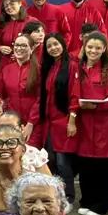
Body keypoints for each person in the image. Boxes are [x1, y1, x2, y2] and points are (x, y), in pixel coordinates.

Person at [73, 32, 108, 215]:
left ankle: (101, 205)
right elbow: (74, 94)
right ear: (84, 48)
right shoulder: (79, 68)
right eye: (90, 47)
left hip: (104, 124)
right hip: (85, 123)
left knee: (103, 166)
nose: (93, 51)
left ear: (104, 50)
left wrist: (97, 106)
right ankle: (86, 200)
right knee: (86, 165)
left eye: (98, 48)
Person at [39, 33, 76, 200]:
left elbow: (75, 94)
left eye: (56, 44)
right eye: (49, 46)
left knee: (63, 162)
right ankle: (53, 196)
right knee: (50, 160)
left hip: (64, 121)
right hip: (49, 123)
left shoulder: (72, 66)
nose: (53, 48)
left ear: (63, 44)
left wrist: (72, 120)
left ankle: (68, 197)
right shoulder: (49, 67)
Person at [0, 34, 41, 139]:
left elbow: (41, 98)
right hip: (11, 122)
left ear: (32, 48)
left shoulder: (38, 70)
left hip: (33, 124)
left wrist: (31, 123)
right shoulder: (7, 69)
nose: (19, 48)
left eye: (23, 45)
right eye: (16, 45)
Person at [0, 0, 29, 66]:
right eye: (6, 6)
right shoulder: (2, 24)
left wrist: (24, 54)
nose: (9, 7)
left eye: (12, 4)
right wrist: (0, 48)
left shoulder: (31, 22)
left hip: (25, 64)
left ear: (20, 3)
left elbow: (37, 44)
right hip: (5, 64)